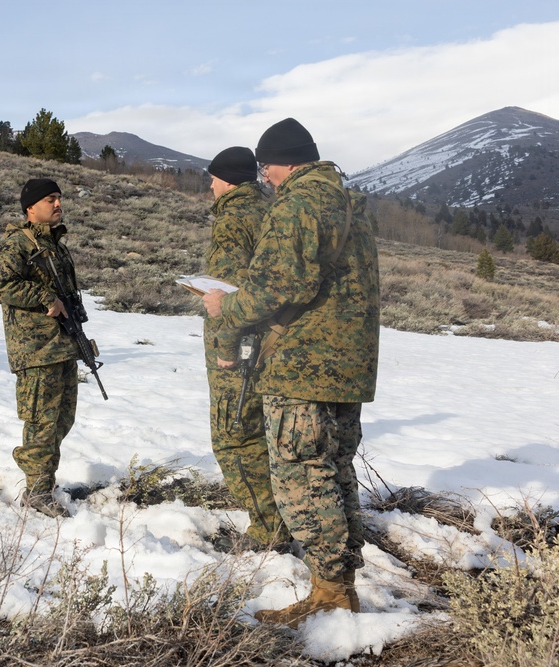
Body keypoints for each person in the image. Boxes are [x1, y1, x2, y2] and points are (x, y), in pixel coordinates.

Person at [202, 118, 380, 626]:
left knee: (303, 476)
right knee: (335, 471)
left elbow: (276, 285)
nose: (267, 179)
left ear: (284, 162)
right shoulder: (347, 201)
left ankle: (329, 594)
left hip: (302, 362)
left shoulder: (300, 203)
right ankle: (340, 585)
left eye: (268, 169)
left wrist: (225, 310)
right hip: (347, 363)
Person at [202, 147, 292, 553]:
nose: (211, 186)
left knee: (234, 435)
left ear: (228, 181)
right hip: (272, 340)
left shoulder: (232, 221)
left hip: (240, 345)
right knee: (262, 432)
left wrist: (225, 343)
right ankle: (283, 517)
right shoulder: (270, 210)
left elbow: (227, 290)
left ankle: (267, 529)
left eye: (214, 179)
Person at [0, 179, 80, 518]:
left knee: (61, 420)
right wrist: (45, 298)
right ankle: (37, 491)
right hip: (36, 350)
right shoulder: (18, 244)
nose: (58, 204)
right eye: (50, 199)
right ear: (31, 207)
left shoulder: (56, 245)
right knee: (41, 422)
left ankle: (46, 481)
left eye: (59, 198)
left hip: (62, 345)